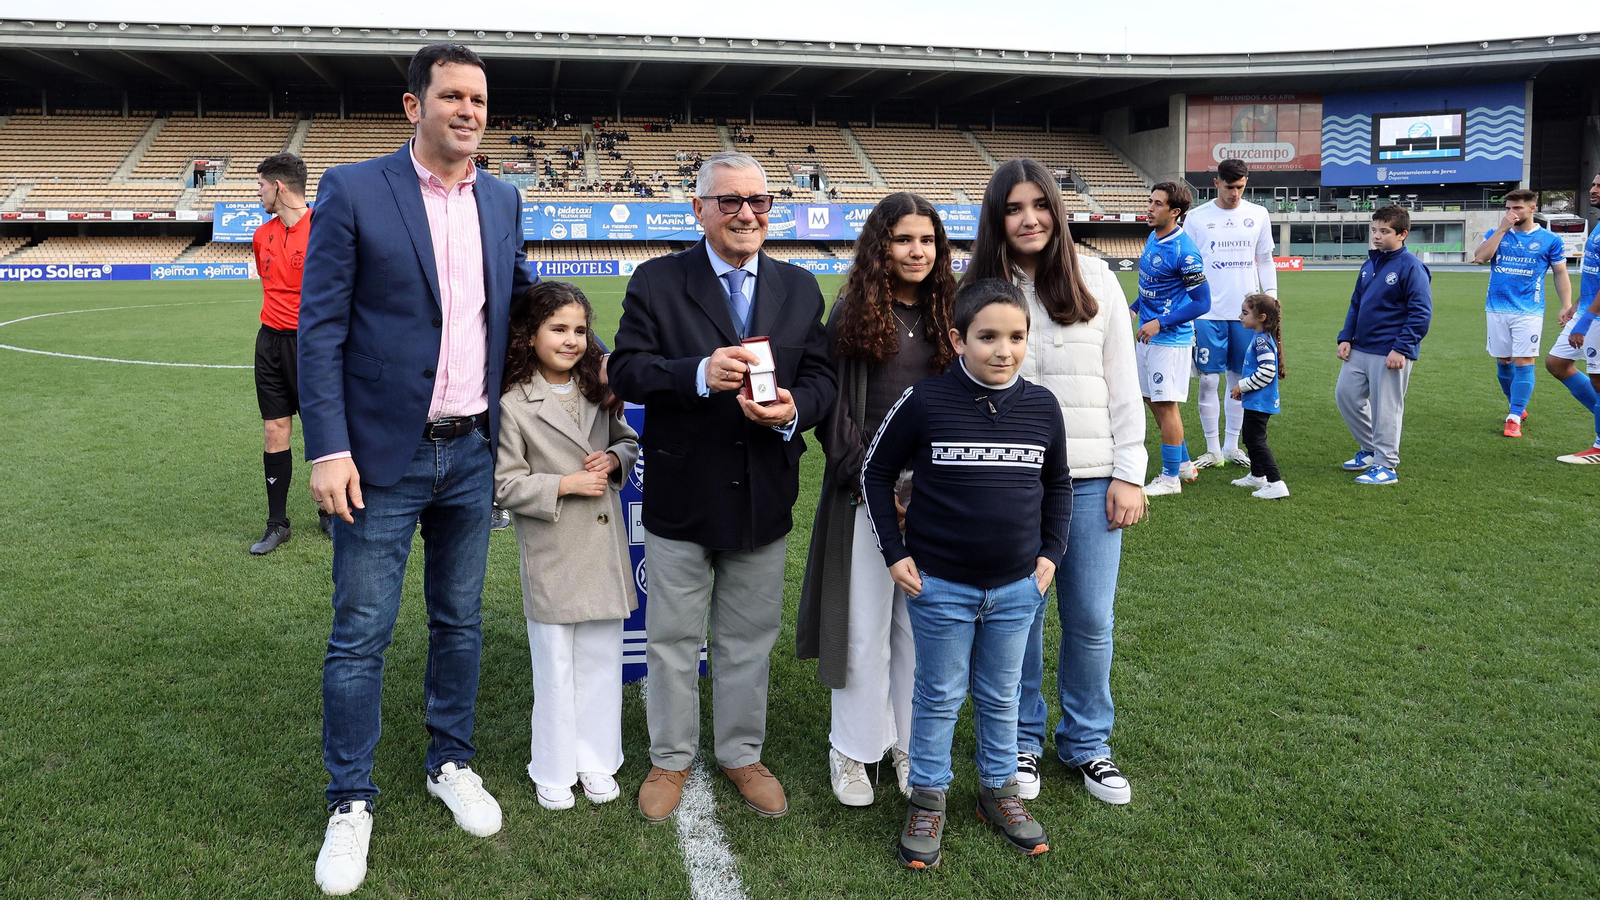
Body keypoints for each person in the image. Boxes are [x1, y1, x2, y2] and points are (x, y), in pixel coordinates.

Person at [298, 43, 536, 896]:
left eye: (479, 99)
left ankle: (450, 762)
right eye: (452, 97)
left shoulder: (504, 198)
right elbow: (318, 330)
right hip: (378, 458)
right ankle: (351, 800)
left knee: (460, 621)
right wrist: (327, 448)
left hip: (471, 451)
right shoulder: (356, 188)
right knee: (360, 633)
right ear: (414, 105)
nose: (468, 111)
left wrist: (600, 362)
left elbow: (526, 305)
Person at [608, 151, 836, 823]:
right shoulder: (657, 281)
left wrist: (795, 408)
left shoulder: (799, 288)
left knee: (747, 640)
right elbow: (627, 370)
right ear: (700, 208)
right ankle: (671, 759)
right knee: (673, 640)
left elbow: (821, 379)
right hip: (682, 493)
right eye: (729, 201)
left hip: (765, 494)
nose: (745, 213)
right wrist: (699, 372)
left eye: (758, 201)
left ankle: (741, 753)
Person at [862, 278, 1072, 867]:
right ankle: (929, 795)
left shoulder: (1041, 406)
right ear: (957, 340)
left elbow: (1057, 484)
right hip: (941, 586)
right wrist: (894, 551)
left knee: (1002, 694)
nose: (1003, 350)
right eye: (987, 337)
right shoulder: (926, 401)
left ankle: (997, 788)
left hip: (1016, 588)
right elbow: (875, 473)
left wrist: (1050, 556)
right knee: (939, 694)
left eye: (1016, 337)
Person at [964, 157, 1146, 805]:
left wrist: (1130, 473)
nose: (1028, 218)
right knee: (1019, 621)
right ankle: (1021, 740)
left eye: (1038, 204)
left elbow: (1124, 384)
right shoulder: (981, 285)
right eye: (1013, 208)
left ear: (1056, 210)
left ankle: (1089, 743)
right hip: (1010, 488)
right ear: (996, 218)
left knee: (1091, 620)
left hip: (1093, 482)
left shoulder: (1095, 277)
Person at [797, 192, 957, 807]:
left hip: (937, 497)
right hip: (864, 493)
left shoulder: (951, 311)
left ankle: (910, 745)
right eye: (902, 239)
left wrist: (930, 486)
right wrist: (879, 481)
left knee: (919, 630)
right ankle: (853, 748)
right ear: (879, 247)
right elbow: (835, 414)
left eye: (927, 240)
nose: (917, 251)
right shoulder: (853, 314)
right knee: (861, 626)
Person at [494, 282, 639, 812]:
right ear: (529, 336)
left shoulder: (596, 392)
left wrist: (615, 460)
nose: (573, 340)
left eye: (580, 330)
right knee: (554, 665)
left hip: (601, 550)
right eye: (558, 329)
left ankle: (597, 760)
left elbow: (626, 440)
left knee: (602, 660)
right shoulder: (514, 404)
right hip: (554, 552)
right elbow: (504, 483)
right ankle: (552, 765)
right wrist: (564, 485)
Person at [248, 151, 327, 555]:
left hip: (312, 344)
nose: (258, 193)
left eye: (260, 186)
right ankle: (277, 523)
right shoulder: (262, 235)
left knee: (322, 426)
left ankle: (329, 511)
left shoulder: (324, 229)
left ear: (279, 186)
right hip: (270, 343)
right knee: (274, 429)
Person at [1185, 158, 1278, 469]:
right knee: (1209, 382)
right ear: (1216, 183)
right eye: (1229, 187)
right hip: (1207, 312)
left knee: (1241, 380)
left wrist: (1272, 297)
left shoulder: (1258, 214)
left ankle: (1231, 446)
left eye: (1240, 187)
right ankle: (1212, 450)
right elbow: (1186, 263)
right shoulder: (1197, 218)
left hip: (1247, 315)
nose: (1235, 193)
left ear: (1246, 182)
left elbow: (1265, 259)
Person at [1335, 206, 1432, 486]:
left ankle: (1386, 465)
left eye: (1384, 231)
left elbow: (1421, 313)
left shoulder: (1412, 267)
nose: (1376, 236)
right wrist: (1345, 337)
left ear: (1402, 234)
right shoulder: (1369, 265)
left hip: (1390, 351)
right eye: (1374, 230)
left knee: (1386, 408)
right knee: (1346, 396)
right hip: (1360, 348)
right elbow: (1356, 304)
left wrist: (1401, 348)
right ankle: (1369, 450)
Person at [1471, 189, 1571, 437]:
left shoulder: (1550, 240)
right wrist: (1502, 229)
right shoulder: (1497, 234)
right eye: (1508, 208)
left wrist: (1566, 304)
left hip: (1529, 310)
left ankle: (1514, 416)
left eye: (1517, 208)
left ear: (1532, 209)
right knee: (1503, 361)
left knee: (1524, 361)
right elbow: (1480, 258)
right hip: (1496, 308)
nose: (1511, 213)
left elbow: (1560, 273)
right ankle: (1517, 404)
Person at [1134, 181, 1212, 496]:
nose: (1149, 208)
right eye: (1150, 201)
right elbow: (1152, 286)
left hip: (1170, 340)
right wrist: (1134, 308)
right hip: (1149, 335)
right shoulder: (1154, 237)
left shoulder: (1186, 252)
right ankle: (1182, 464)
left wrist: (1160, 322)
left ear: (1175, 212)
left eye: (1157, 204)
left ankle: (1169, 480)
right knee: (1151, 398)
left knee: (1166, 405)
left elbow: (1202, 303)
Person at [1549, 172, 1600, 463]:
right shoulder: (1597, 226)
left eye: (1598, 186)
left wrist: (1583, 321)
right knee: (1557, 363)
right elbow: (1595, 276)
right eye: (1592, 183)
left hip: (1596, 317)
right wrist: (1576, 306)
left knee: (1599, 379)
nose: (1592, 189)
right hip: (1587, 309)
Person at [1229, 293, 1288, 498]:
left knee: (1257, 442)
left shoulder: (1262, 341)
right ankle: (1257, 475)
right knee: (1250, 438)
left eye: (1245, 313)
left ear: (1261, 317)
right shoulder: (1260, 338)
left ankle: (1275, 482)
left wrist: (1241, 387)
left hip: (1260, 402)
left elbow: (1267, 372)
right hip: (1255, 401)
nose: (1240, 316)